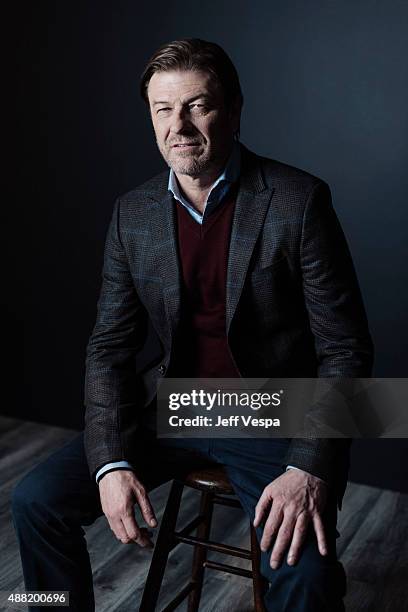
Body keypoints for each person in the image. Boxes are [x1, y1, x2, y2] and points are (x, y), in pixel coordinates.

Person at [12, 38, 373, 611]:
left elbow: (346, 349)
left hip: (271, 412)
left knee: (308, 578)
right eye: (163, 109)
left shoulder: (298, 200)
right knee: (34, 502)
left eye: (197, 105)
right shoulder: (133, 213)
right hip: (174, 406)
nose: (178, 125)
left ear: (233, 109)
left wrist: (308, 465)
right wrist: (110, 461)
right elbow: (108, 348)